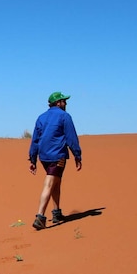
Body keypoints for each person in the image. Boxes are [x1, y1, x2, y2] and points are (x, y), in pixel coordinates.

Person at [28, 91, 82, 230]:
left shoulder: (41, 117)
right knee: (50, 183)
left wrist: (33, 159)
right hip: (57, 155)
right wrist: (77, 155)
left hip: (44, 157)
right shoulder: (64, 116)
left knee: (56, 182)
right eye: (64, 101)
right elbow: (71, 138)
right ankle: (40, 216)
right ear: (58, 103)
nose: (66, 103)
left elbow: (35, 140)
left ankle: (57, 212)